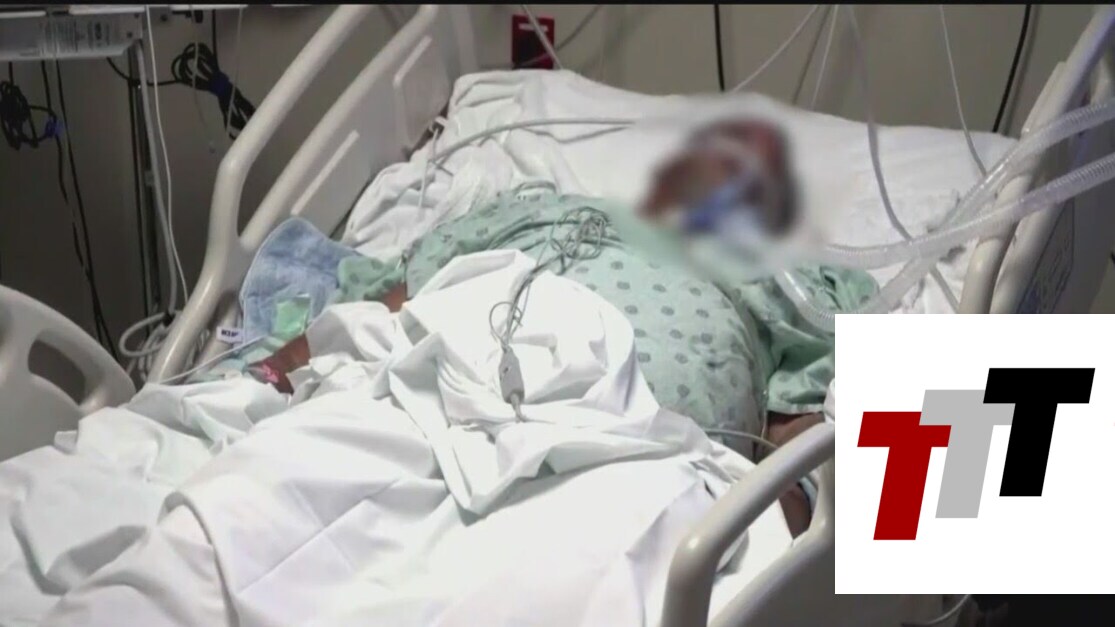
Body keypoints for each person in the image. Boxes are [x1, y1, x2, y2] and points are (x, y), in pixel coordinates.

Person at [240, 118, 873, 536]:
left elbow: (796, 429)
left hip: (645, 462)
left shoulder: (768, 275)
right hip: (454, 399)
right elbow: (384, 314)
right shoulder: (543, 212)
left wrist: (791, 529)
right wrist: (268, 378)